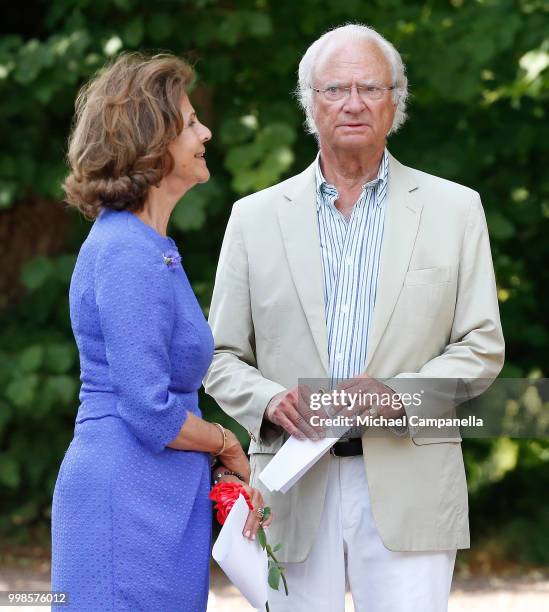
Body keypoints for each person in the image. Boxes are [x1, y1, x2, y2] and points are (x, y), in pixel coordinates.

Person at [204, 23, 504, 612]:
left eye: (371, 87)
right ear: (309, 104)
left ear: (397, 102)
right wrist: (266, 401)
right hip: (291, 486)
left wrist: (396, 394)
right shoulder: (253, 218)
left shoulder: (455, 209)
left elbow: (482, 346)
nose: (353, 103)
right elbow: (219, 356)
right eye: (335, 89)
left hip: (410, 482)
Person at [51, 52, 271, 612]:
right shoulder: (127, 249)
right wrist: (225, 443)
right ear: (153, 141)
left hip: (159, 495)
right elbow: (149, 410)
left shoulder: (152, 246)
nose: (206, 132)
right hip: (125, 499)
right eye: (191, 123)